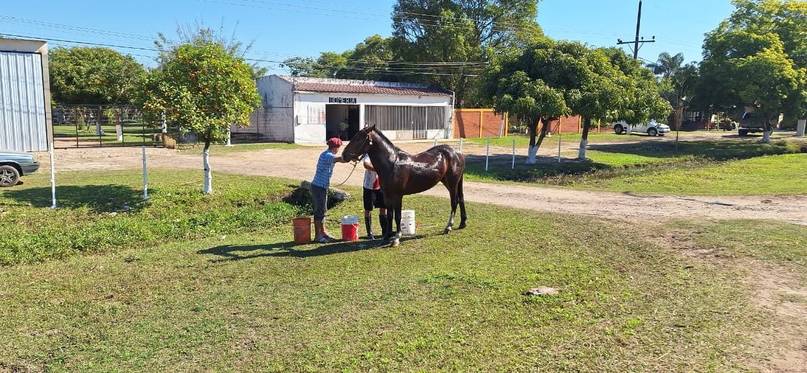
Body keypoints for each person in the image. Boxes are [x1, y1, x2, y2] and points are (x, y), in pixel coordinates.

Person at [311, 137, 349, 243]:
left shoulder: (327, 154)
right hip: (319, 187)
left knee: (323, 210)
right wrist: (350, 157)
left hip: (321, 187)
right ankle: (318, 236)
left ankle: (323, 233)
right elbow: (340, 159)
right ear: (335, 147)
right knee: (319, 211)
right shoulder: (328, 155)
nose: (339, 149)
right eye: (339, 147)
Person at [362, 156, 388, 240]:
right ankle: (369, 233)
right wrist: (378, 169)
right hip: (369, 186)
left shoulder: (381, 153)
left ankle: (385, 231)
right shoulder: (369, 155)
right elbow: (366, 164)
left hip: (381, 185)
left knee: (383, 207)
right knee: (368, 209)